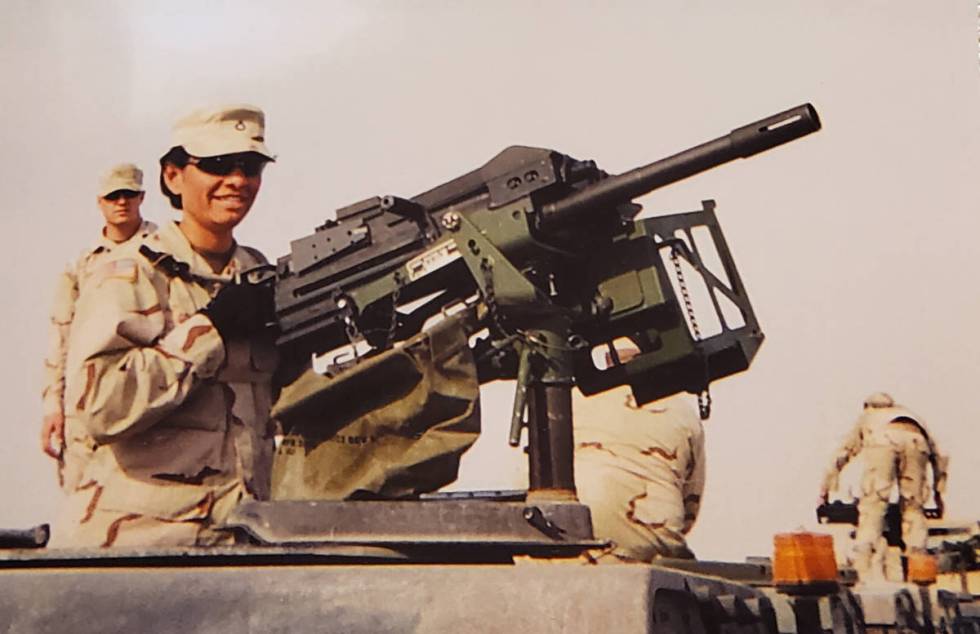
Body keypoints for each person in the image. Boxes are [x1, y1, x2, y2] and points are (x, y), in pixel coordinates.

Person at [49, 104, 279, 548]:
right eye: (216, 165)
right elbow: (98, 406)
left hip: (241, 540)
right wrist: (207, 332)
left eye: (249, 166)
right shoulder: (128, 274)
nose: (236, 180)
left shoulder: (258, 276)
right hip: (140, 546)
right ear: (173, 176)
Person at [40, 163, 156, 491]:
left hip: (145, 394)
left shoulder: (164, 251)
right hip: (86, 405)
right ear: (100, 202)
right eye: (113, 196)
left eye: (129, 195)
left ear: (141, 197)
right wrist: (53, 408)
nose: (122, 202)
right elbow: (60, 336)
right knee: (80, 504)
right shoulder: (82, 265)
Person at [819, 392, 948, 579]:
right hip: (917, 443)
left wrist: (825, 489)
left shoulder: (869, 417)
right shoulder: (912, 416)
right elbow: (938, 457)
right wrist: (938, 493)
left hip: (883, 441)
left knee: (874, 504)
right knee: (913, 509)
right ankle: (918, 567)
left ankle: (862, 566)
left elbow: (843, 452)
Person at [574, 385, 706, 563]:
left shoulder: (569, 400)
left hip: (573, 551)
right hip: (651, 556)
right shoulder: (682, 412)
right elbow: (690, 508)